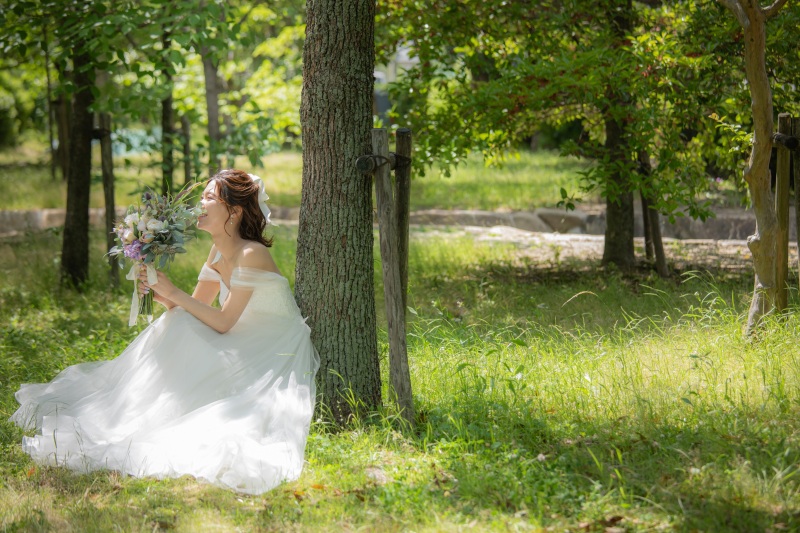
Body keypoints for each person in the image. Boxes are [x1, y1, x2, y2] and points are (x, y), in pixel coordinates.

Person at [10, 169, 319, 495]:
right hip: (240, 335)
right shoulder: (217, 252)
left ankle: (155, 412)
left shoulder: (250, 253)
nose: (201, 203)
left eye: (210, 198)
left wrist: (175, 293)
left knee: (182, 324)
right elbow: (195, 309)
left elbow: (223, 321)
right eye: (203, 196)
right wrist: (159, 292)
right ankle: (137, 410)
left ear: (235, 210)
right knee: (178, 322)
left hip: (272, 346)